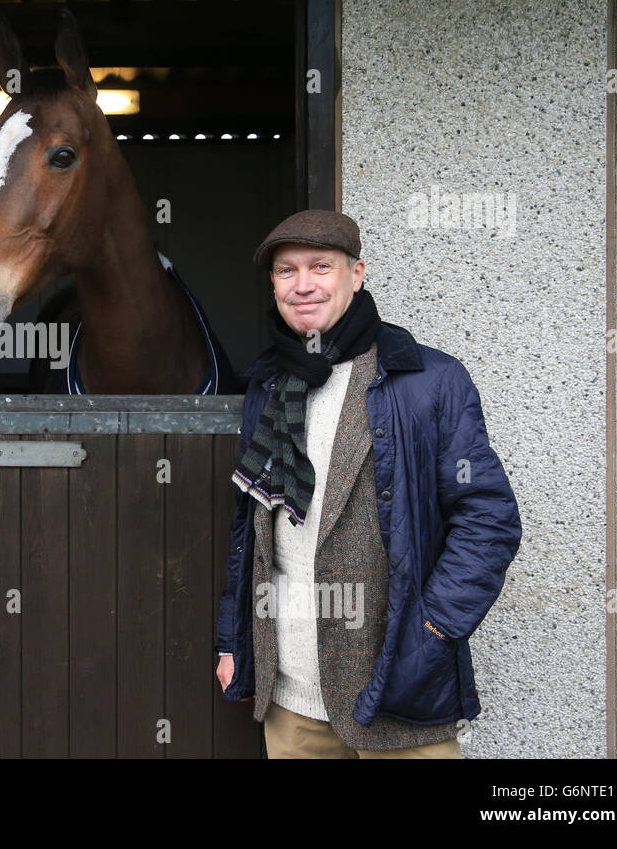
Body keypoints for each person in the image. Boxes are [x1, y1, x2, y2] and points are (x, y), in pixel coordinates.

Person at [214, 210, 521, 758]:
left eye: (320, 267)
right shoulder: (267, 383)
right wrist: (232, 640)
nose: (302, 284)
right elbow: (252, 528)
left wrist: (432, 632)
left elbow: (488, 518)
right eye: (287, 271)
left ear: (357, 274)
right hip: (291, 697)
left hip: (396, 693)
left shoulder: (428, 380)